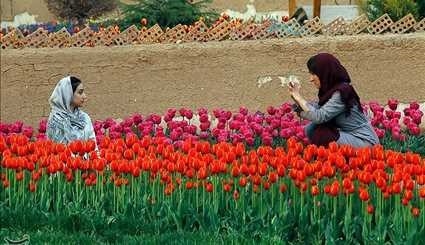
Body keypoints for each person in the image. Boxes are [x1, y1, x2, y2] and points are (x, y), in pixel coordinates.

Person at [288, 53, 379, 147]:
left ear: (325, 73)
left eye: (313, 74)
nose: (310, 79)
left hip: (364, 140)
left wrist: (299, 97)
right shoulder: (331, 90)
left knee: (322, 133)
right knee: (312, 128)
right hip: (350, 136)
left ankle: (334, 159)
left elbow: (320, 116)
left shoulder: (342, 93)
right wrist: (297, 100)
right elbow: (318, 109)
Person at [46, 76, 96, 145]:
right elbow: (56, 150)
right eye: (80, 92)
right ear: (68, 94)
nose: (84, 96)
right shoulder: (56, 120)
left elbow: (93, 144)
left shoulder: (84, 118)